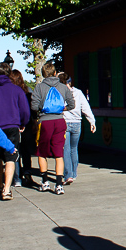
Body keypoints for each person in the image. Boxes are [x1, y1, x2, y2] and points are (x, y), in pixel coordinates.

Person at [31, 61, 76, 195]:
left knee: (41, 152)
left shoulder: (39, 88)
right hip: (59, 121)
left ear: (43, 74)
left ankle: (44, 182)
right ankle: (58, 185)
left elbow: (33, 106)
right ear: (55, 73)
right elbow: (72, 104)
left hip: (45, 121)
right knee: (58, 153)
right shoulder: (63, 87)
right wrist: (62, 108)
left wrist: (42, 109)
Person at [0, 62, 30, 197]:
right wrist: (23, 123)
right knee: (11, 156)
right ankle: (7, 189)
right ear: (9, 73)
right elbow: (25, 110)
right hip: (12, 126)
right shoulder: (16, 90)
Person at [58, 73, 96, 184]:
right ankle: (74, 173)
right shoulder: (78, 92)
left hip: (64, 122)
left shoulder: (60, 92)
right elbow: (86, 108)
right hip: (77, 123)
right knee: (74, 149)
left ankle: (68, 175)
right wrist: (92, 121)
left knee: (66, 149)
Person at [9, 69, 36, 185]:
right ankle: (28, 172)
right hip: (27, 122)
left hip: (14, 122)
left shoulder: (10, 92)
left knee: (15, 151)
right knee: (26, 150)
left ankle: (17, 178)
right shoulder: (27, 91)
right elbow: (32, 108)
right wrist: (34, 120)